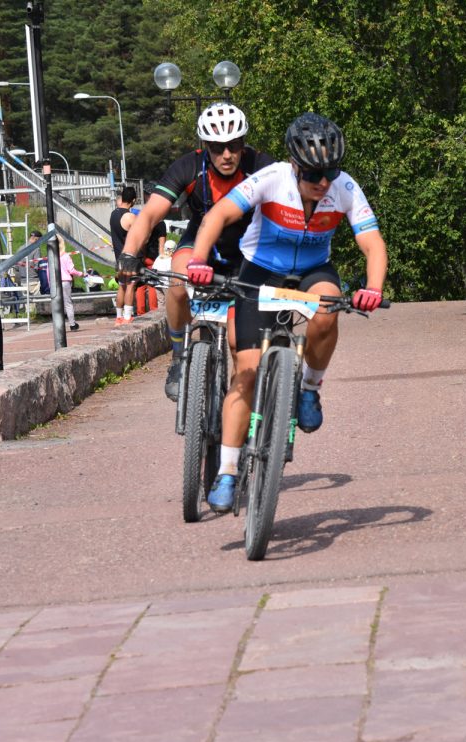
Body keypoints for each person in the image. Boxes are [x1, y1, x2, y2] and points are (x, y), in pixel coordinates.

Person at [185, 112, 387, 513]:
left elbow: (372, 243)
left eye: (330, 172)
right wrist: (198, 260)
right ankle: (228, 471)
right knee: (246, 373)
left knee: (329, 307)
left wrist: (373, 288)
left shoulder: (345, 187)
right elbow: (218, 216)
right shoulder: (272, 178)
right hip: (261, 270)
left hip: (313, 271)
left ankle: (310, 388)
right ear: (295, 165)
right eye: (313, 174)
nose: (323, 182)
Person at [117, 102, 275, 400]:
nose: (226, 154)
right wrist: (128, 255)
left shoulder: (261, 166)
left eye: (234, 145)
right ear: (205, 146)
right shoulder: (189, 167)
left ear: (243, 143)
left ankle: (235, 409)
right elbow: (149, 216)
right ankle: (179, 355)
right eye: (217, 147)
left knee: (237, 344)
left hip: (247, 252)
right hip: (201, 243)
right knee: (177, 281)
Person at [109, 187, 139, 324]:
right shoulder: (130, 217)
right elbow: (142, 235)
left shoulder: (113, 214)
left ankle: (119, 317)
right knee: (130, 285)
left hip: (119, 256)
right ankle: (127, 317)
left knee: (121, 285)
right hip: (129, 255)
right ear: (133, 200)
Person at [58, 235, 85, 331]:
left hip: (55, 283)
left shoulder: (51, 257)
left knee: (57, 304)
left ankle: (59, 325)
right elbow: (71, 270)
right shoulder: (65, 256)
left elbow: (48, 272)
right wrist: (81, 274)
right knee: (68, 303)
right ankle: (72, 324)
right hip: (65, 281)